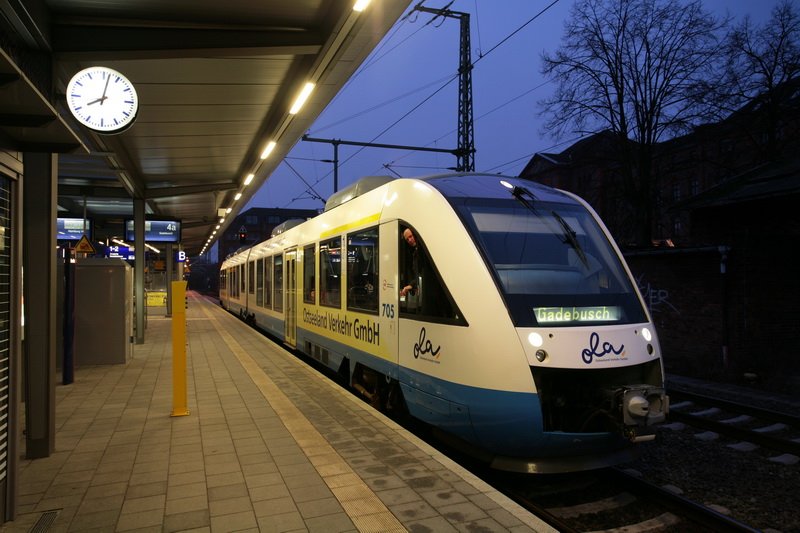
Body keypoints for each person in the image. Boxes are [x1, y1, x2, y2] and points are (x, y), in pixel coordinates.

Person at [400, 227, 420, 298]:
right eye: (407, 239)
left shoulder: (420, 251)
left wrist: (411, 285)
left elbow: (420, 274)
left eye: (410, 236)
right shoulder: (413, 252)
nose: (410, 240)